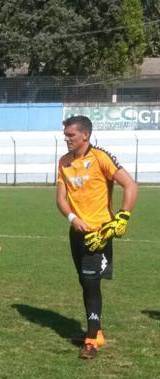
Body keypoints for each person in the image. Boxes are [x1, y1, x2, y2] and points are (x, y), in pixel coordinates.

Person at [56, 115, 138, 360]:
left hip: (98, 235)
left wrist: (122, 217)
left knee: (91, 283)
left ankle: (92, 338)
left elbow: (131, 185)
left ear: (85, 135)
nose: (66, 139)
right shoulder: (64, 162)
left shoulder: (100, 157)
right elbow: (60, 199)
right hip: (76, 233)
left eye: (71, 135)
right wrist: (73, 218)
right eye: (66, 134)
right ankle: (95, 330)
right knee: (84, 281)